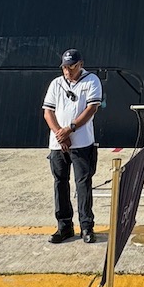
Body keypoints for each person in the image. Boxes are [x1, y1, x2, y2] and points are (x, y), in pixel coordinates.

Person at [43, 48, 102, 244]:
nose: (67, 71)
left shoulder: (92, 81)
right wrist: (61, 134)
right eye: (65, 67)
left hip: (82, 143)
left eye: (71, 67)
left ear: (80, 65)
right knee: (60, 183)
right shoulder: (56, 84)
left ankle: (86, 226)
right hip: (58, 144)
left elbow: (91, 108)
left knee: (82, 183)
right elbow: (48, 112)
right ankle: (64, 226)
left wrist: (71, 129)